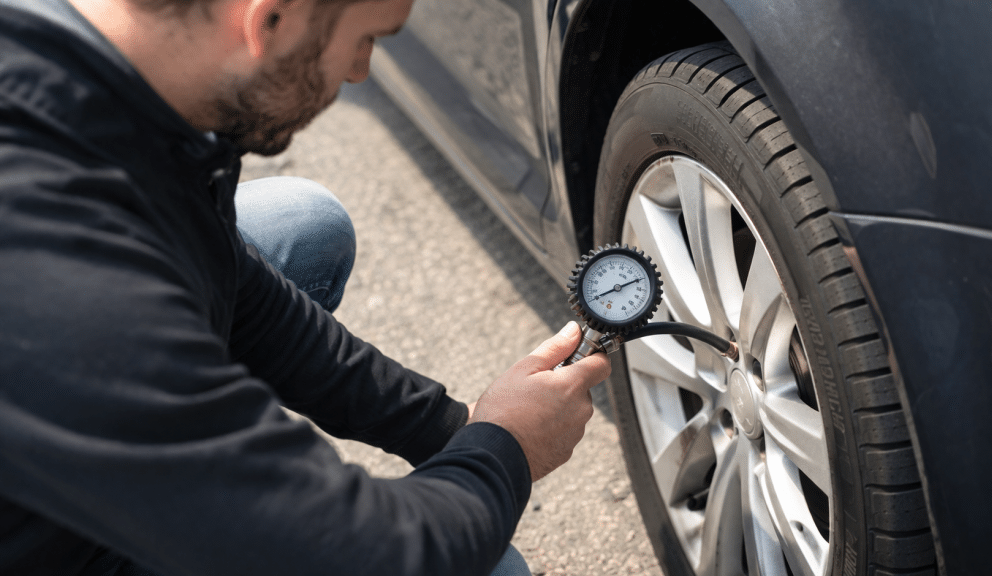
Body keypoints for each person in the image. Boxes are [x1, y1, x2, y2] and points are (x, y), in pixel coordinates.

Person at [0, 0, 611, 575]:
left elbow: (241, 293)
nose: (361, 71)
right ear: (268, 19)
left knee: (302, 226)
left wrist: (451, 426)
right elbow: (362, 554)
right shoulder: (64, 272)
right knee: (489, 565)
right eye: (365, 39)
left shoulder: (104, 92)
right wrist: (506, 453)